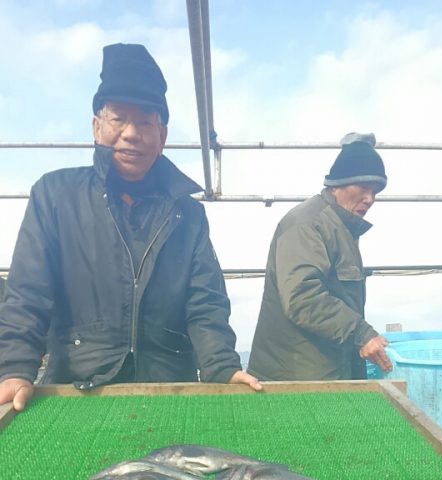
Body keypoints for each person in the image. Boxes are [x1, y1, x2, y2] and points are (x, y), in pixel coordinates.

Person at [0, 43, 261, 411]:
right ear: (96, 127)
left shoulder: (188, 215)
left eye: (145, 121)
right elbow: (28, 293)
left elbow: (206, 303)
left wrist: (221, 365)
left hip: (170, 390)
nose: (131, 133)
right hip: (78, 389)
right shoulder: (55, 195)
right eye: (118, 117)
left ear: (162, 136)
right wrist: (14, 368)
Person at [248, 132, 393, 381]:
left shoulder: (341, 228)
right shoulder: (306, 223)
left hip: (324, 373)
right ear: (336, 184)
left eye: (375, 191)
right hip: (294, 379)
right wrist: (361, 333)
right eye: (363, 188)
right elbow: (302, 297)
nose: (370, 199)